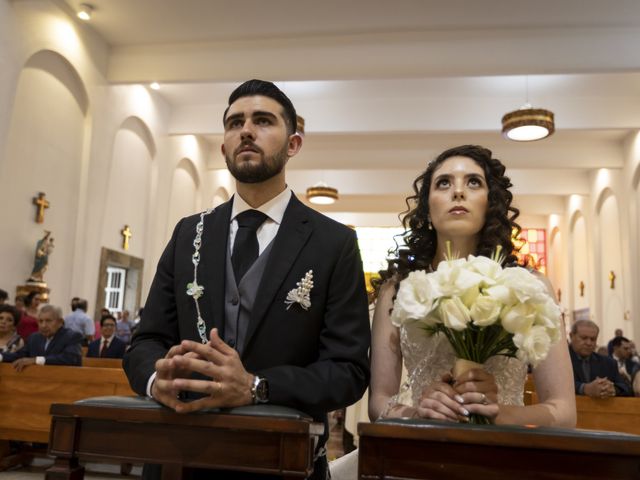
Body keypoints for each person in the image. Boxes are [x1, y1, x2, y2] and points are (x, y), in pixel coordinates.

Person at [123, 79, 370, 480]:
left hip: (282, 460)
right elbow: (146, 341)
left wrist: (258, 386)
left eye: (263, 121)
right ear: (224, 147)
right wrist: (156, 380)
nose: (247, 130)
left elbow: (348, 371)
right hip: (181, 456)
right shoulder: (189, 233)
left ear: (293, 144)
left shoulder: (333, 243)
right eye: (235, 122)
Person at [331, 145, 576, 479]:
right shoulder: (398, 290)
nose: (458, 191)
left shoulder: (528, 287)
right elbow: (380, 403)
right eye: (443, 183)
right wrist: (417, 412)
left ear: (490, 202)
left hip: (504, 457)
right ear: (426, 206)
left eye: (473, 182)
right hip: (419, 454)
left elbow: (563, 411)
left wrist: (498, 413)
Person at [0, 304, 82, 371]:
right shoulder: (34, 338)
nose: (43, 325)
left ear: (60, 322)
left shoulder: (72, 336)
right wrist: (1, 356)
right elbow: (19, 355)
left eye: (48, 321)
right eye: (40, 321)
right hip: (36, 384)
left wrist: (36, 360)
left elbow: (70, 358)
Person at [568, 319, 631, 397]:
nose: (589, 343)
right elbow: (557, 385)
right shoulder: (560, 361)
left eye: (593, 339)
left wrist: (612, 389)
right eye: (584, 338)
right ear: (571, 336)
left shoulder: (608, 363)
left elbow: (625, 388)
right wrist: (584, 388)